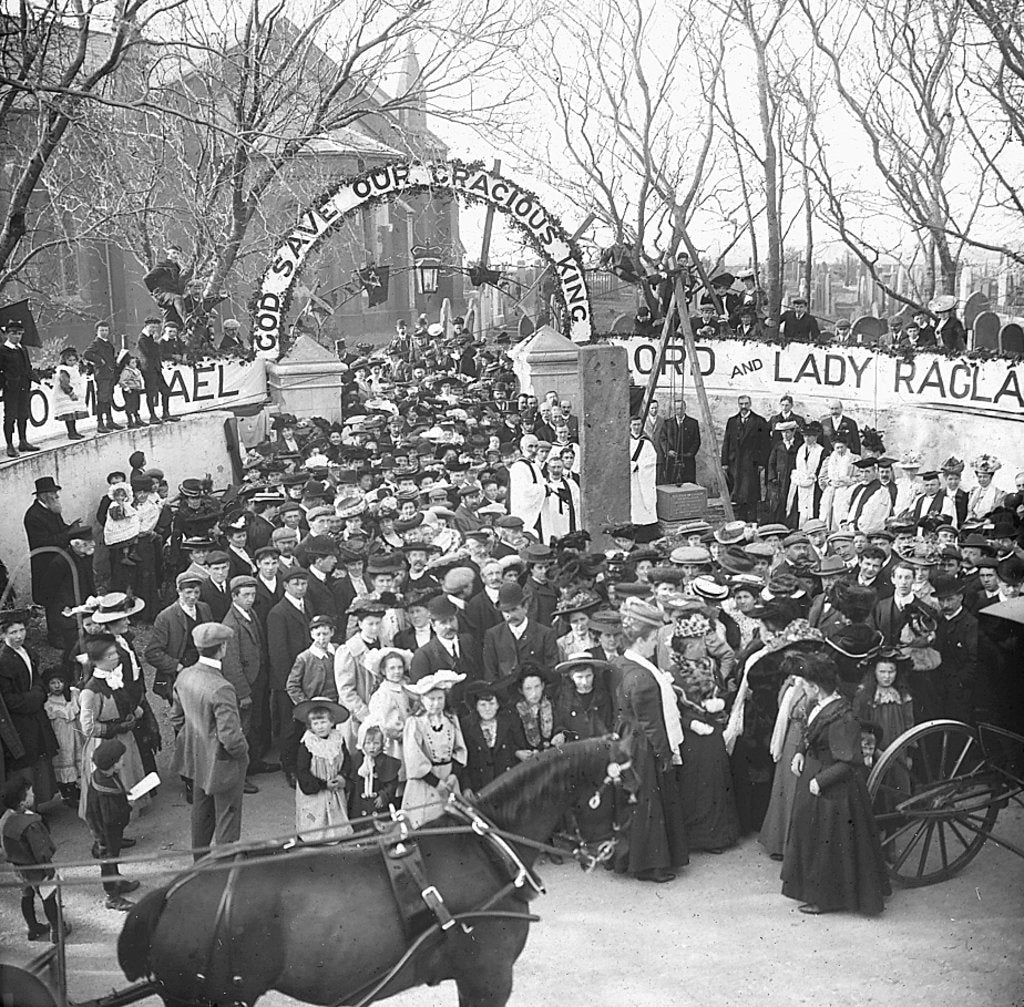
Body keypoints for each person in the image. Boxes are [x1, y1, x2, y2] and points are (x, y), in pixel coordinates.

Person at [781, 652, 891, 916]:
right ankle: (812, 890)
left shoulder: (843, 718)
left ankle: (826, 899)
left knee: (826, 844)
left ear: (815, 688)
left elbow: (849, 762)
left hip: (835, 792)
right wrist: (798, 751)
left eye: (805, 684)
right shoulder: (818, 706)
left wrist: (821, 780)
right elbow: (810, 733)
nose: (803, 688)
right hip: (815, 780)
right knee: (812, 838)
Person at [612, 598, 689, 882]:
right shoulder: (643, 677)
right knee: (649, 804)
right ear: (644, 639)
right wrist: (665, 754)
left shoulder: (619, 663)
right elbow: (651, 725)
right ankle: (651, 865)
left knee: (632, 802)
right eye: (655, 638)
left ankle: (628, 860)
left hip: (624, 741)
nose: (658, 644)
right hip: (642, 746)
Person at [169, 622, 249, 860]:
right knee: (228, 818)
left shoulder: (185, 675)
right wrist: (243, 754)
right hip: (222, 761)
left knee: (201, 812)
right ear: (222, 648)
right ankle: (224, 871)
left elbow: (175, 717)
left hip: (196, 757)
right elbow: (231, 737)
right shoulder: (221, 687)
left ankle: (199, 865)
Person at [77, 633, 148, 819]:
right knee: (112, 786)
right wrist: (117, 728)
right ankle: (112, 823)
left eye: (115, 652)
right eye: (110, 655)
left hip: (125, 738)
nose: (116, 656)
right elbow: (88, 727)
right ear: (97, 661)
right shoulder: (90, 691)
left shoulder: (116, 677)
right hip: (105, 744)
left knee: (128, 775)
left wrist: (132, 712)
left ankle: (128, 811)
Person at [0, 610, 58, 807]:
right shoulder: (3, 661)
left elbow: (38, 679)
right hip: (20, 719)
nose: (19, 636)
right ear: (3, 635)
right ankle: (26, 804)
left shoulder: (27, 651)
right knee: (26, 761)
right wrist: (35, 698)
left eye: (21, 630)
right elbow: (9, 699)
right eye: (13, 632)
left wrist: (38, 692)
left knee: (40, 755)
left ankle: (41, 799)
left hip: (34, 713)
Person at [1, 776, 69, 942]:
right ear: (22, 803)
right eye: (30, 794)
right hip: (38, 868)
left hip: (19, 868)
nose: (34, 794)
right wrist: (49, 869)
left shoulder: (4, 820)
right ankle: (57, 930)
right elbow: (41, 851)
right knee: (48, 896)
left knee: (27, 895)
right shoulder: (31, 824)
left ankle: (32, 927)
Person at [401, 671, 467, 827]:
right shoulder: (415, 723)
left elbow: (460, 749)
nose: (436, 704)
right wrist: (435, 782)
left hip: (449, 779)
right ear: (422, 700)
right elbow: (414, 758)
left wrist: (453, 775)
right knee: (427, 823)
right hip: (426, 782)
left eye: (440, 699)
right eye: (431, 699)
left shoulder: (451, 719)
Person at [83, 738, 140, 911]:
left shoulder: (103, 775)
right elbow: (111, 816)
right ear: (112, 763)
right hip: (105, 831)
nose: (123, 761)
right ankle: (112, 896)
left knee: (113, 856)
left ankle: (116, 881)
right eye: (120, 759)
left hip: (105, 828)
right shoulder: (105, 789)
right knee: (108, 860)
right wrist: (127, 806)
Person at [293, 696, 354, 842]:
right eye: (316, 723)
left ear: (331, 722)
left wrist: (342, 776)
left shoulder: (338, 738)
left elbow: (346, 759)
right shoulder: (307, 743)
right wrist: (322, 784)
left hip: (335, 787)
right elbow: (302, 770)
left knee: (336, 813)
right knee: (314, 815)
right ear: (310, 725)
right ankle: (313, 835)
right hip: (316, 789)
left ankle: (336, 833)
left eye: (323, 722)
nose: (320, 726)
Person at [460, 679, 518, 795]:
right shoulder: (467, 726)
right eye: (482, 704)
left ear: (498, 705)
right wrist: (466, 787)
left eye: (491, 703)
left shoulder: (508, 722)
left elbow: (516, 748)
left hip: (506, 784)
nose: (488, 708)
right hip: (480, 786)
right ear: (476, 706)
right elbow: (463, 761)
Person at [721, 395, 770, 522]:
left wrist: (761, 463)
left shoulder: (759, 421)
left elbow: (764, 444)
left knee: (751, 494)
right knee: (738, 493)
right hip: (735, 463)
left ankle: (752, 521)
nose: (743, 407)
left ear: (750, 404)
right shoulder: (732, 421)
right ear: (738, 405)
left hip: (751, 463)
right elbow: (726, 441)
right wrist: (725, 462)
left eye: (746, 404)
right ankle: (740, 522)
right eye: (741, 404)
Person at [347, 720, 401, 824]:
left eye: (376, 743)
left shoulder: (387, 762)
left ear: (382, 744)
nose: (372, 747)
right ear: (362, 742)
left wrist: (384, 795)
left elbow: (392, 783)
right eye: (368, 743)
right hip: (358, 804)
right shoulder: (355, 760)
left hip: (377, 805)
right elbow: (351, 782)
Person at [43, 667, 82, 807]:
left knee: (76, 757)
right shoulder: (48, 701)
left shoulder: (72, 695)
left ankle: (76, 787)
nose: (57, 686)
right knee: (64, 760)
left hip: (75, 733)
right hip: (60, 736)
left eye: (60, 682)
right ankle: (66, 792)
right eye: (53, 683)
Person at [0, 318, 40, 457]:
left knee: (23, 414)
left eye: (19, 334)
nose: (17, 336)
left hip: (24, 386)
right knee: (10, 416)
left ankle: (23, 441)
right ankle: (10, 445)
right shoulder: (2, 350)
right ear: (7, 334)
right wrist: (5, 383)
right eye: (14, 333)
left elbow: (27, 367)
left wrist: (35, 378)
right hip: (10, 388)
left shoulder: (23, 349)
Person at [83, 321, 125, 432]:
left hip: (110, 374)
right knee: (102, 399)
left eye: (106, 330)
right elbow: (86, 354)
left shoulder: (108, 343)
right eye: (101, 330)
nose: (104, 332)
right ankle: (100, 423)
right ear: (97, 331)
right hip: (102, 375)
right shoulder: (96, 343)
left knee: (108, 398)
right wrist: (99, 361)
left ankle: (109, 421)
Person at [661, 398, 701, 486]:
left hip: (687, 460)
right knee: (671, 484)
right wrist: (668, 451)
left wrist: (690, 453)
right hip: (672, 460)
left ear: (685, 408)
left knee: (688, 483)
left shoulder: (693, 423)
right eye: (677, 409)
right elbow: (663, 439)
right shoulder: (668, 423)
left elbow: (696, 440)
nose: (679, 411)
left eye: (681, 408)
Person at [628, 415, 659, 527]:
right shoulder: (626, 442)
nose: (637, 427)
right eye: (634, 425)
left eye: (639, 424)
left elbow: (652, 459)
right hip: (631, 477)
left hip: (644, 477)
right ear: (630, 426)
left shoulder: (646, 442)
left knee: (645, 500)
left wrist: (640, 465)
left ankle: (647, 526)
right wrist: (631, 466)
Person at [53, 345, 88, 440]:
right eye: (69, 360)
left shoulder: (74, 369)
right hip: (67, 395)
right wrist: (71, 393)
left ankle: (74, 431)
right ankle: (71, 433)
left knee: (73, 415)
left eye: (74, 360)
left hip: (74, 394)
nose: (72, 362)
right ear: (65, 360)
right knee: (69, 415)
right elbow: (64, 383)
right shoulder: (63, 370)